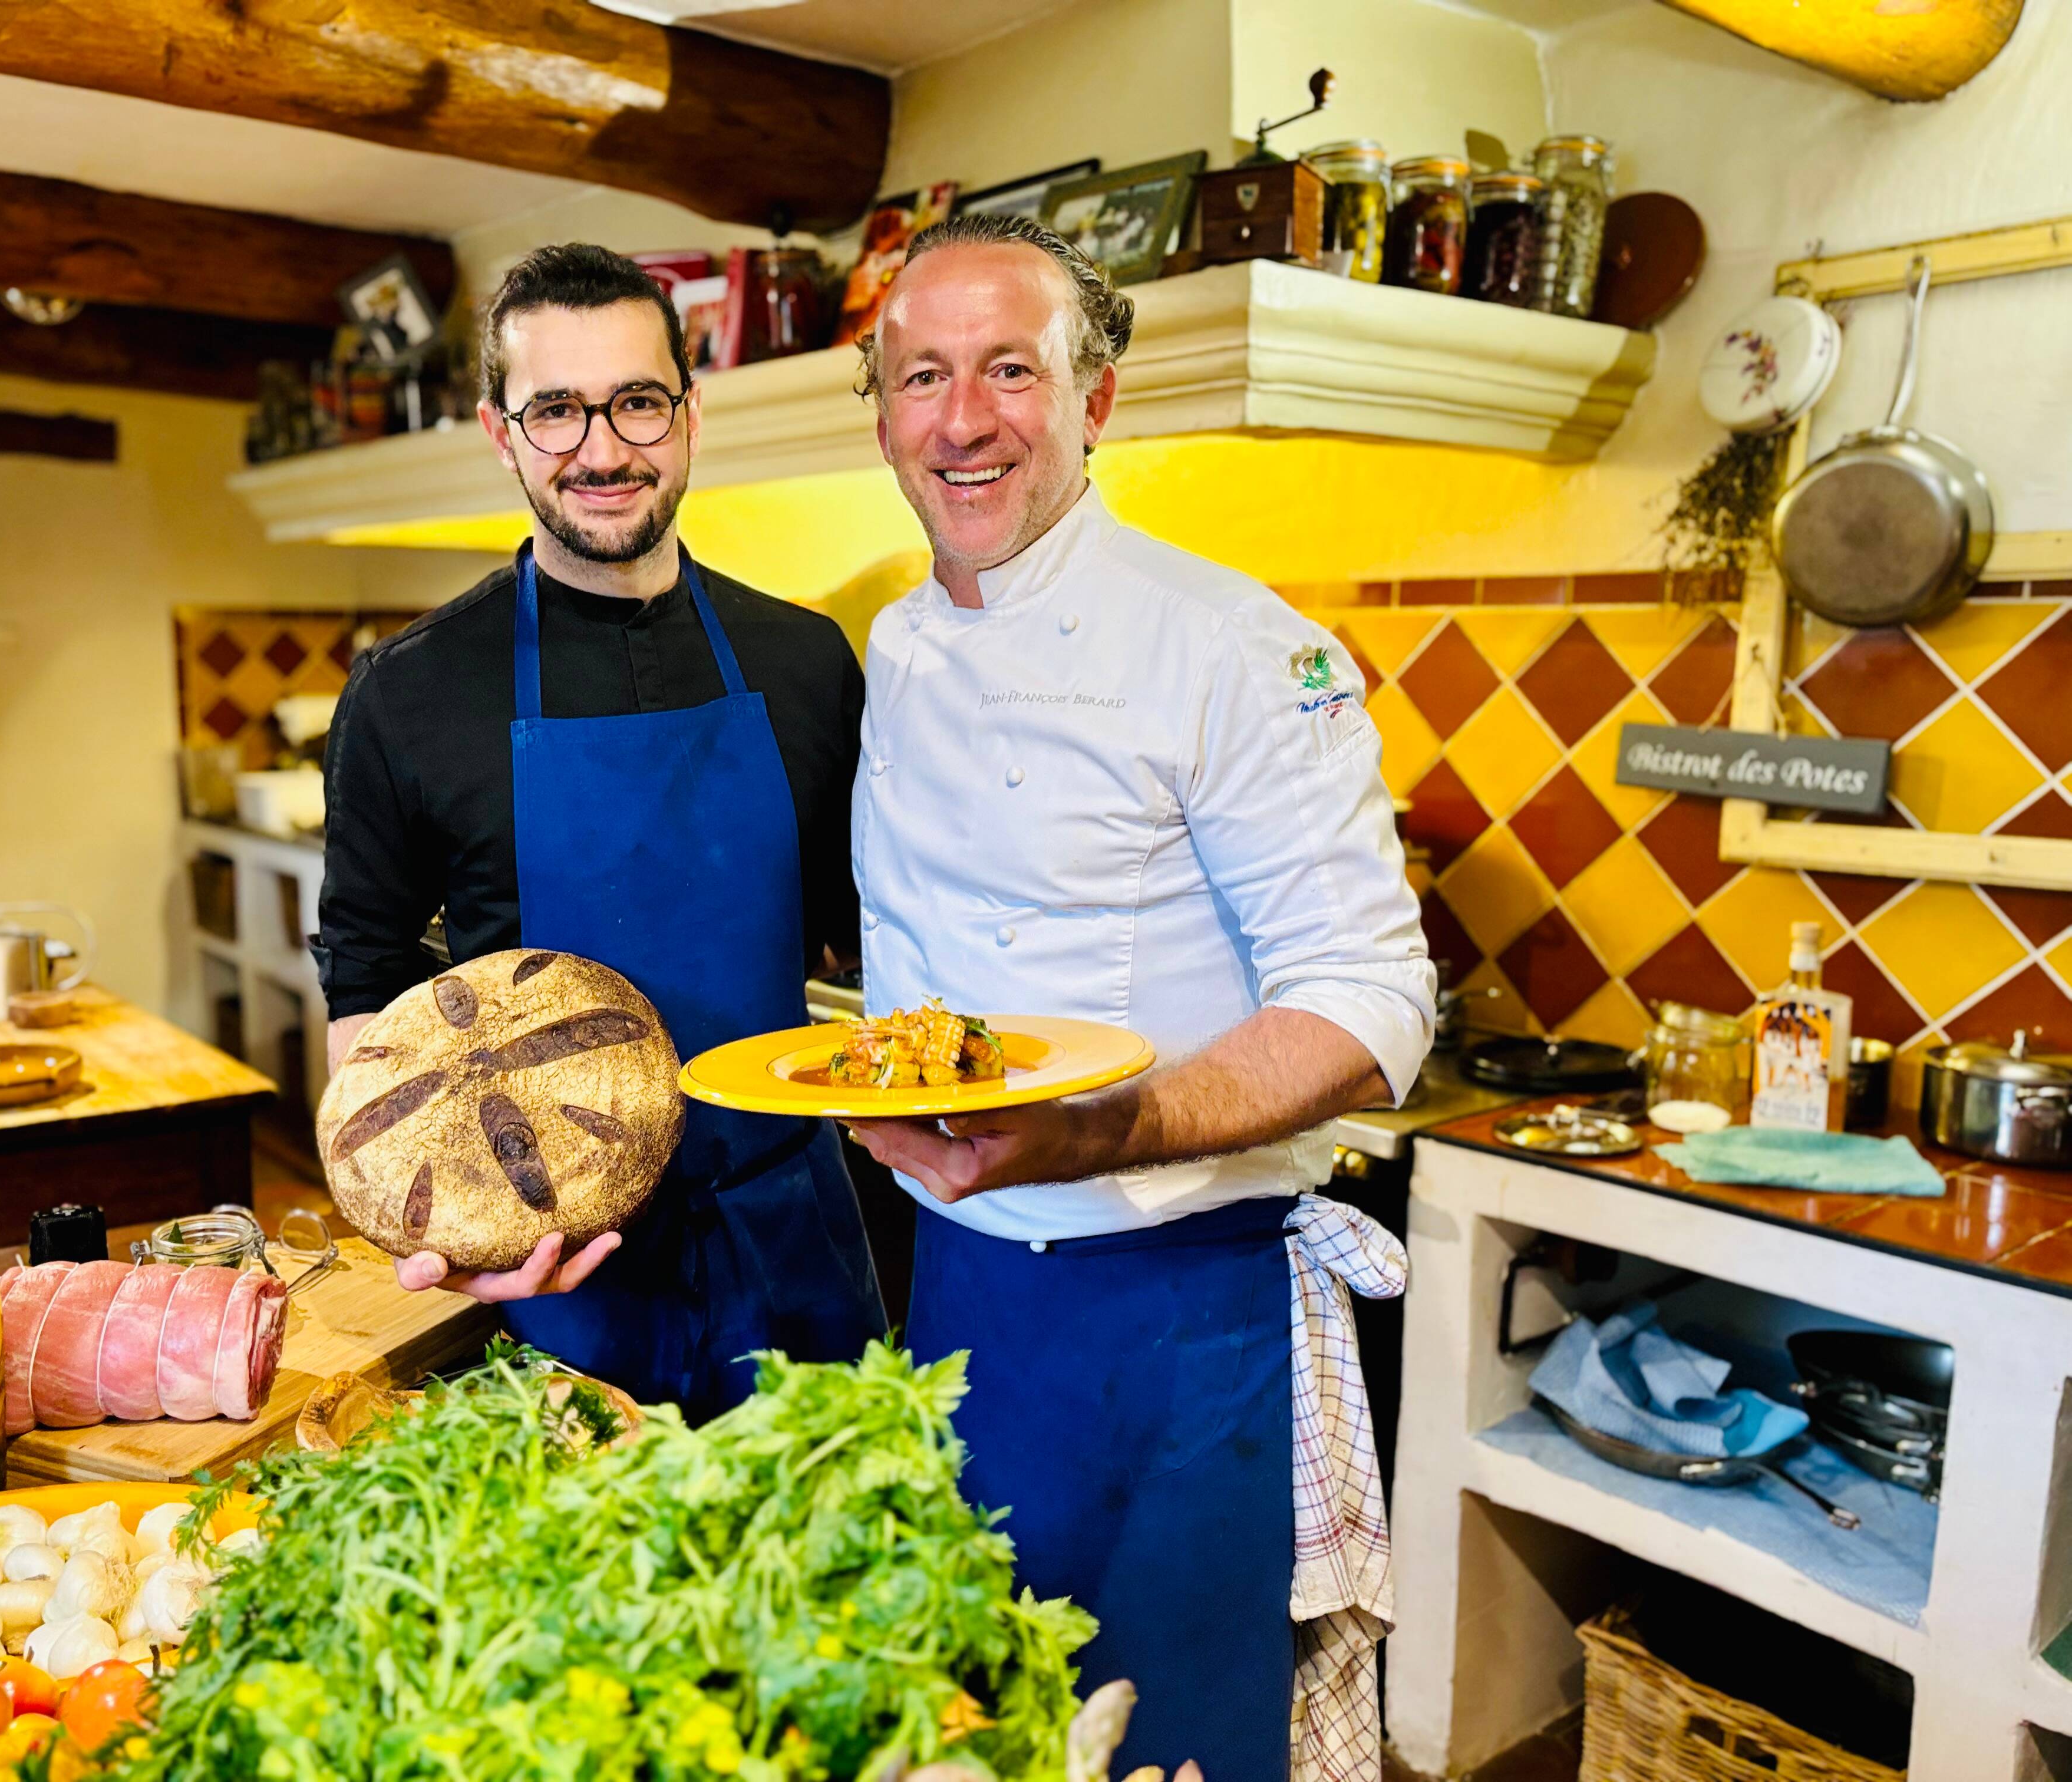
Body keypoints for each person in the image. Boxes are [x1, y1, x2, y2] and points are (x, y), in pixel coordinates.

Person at [844, 212, 1436, 1782]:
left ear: (1096, 402)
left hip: (1174, 1304)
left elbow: (1375, 995)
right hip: (959, 1294)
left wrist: (1108, 1132)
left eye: (1009, 373)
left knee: (1169, 1746)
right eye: (921, 378)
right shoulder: (890, 645)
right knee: (975, 1726)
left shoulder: (1237, 648)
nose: (961, 421)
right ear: (886, 414)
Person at [315, 243, 886, 1422]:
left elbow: (862, 941)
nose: (603, 449)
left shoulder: (806, 662)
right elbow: (368, 990)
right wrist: (443, 1229)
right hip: (556, 1264)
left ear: (688, 412)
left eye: (635, 402)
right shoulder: (408, 696)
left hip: (797, 1239)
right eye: (557, 412)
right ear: (500, 432)